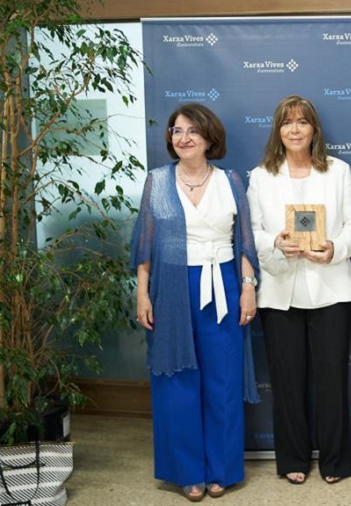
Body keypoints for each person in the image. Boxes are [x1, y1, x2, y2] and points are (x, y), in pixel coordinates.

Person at [130, 103, 260, 502]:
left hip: (222, 283)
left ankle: (222, 469)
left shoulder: (231, 180)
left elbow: (244, 241)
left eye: (192, 131)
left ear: (209, 138)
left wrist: (249, 285)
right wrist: (141, 292)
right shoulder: (157, 181)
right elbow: (145, 244)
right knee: (177, 379)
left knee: (223, 380)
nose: (183, 138)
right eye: (176, 130)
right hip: (171, 286)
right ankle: (187, 471)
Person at [246, 95, 351, 485]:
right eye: (287, 123)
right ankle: (293, 459)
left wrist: (335, 249)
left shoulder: (338, 171)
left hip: (330, 288)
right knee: (287, 381)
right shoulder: (260, 176)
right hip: (280, 289)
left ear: (314, 129)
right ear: (277, 131)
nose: (294, 129)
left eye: (302, 122)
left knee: (332, 380)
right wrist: (276, 244)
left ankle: (335, 461)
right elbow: (251, 233)